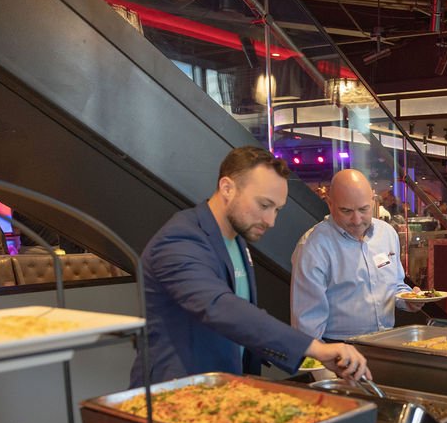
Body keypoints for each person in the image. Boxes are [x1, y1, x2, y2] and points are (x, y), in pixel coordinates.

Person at [130, 146, 368, 387]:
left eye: (276, 209)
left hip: (225, 388)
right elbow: (219, 306)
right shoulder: (180, 238)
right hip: (176, 393)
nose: (271, 220)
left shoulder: (237, 238)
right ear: (227, 188)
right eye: (264, 205)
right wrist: (314, 347)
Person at [291, 169, 416, 341]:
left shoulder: (387, 233)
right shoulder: (313, 246)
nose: (357, 220)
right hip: (339, 347)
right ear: (330, 203)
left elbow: (394, 284)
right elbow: (306, 323)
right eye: (346, 211)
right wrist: (322, 362)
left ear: (373, 200)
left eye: (363, 209)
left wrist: (409, 299)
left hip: (387, 341)